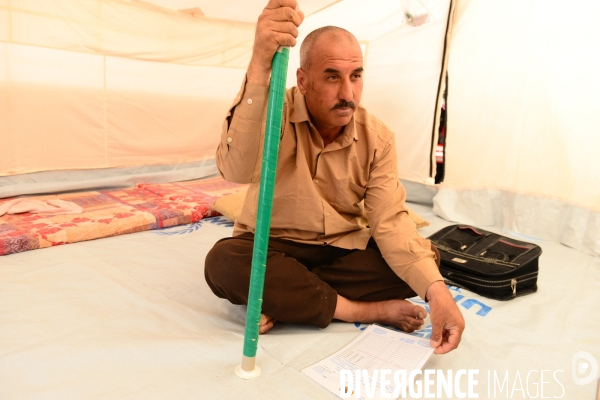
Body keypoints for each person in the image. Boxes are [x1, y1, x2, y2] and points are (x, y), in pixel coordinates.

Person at [205, 0, 465, 355]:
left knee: (426, 260)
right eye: (332, 76)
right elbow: (234, 170)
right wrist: (259, 64)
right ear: (303, 80)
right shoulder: (274, 111)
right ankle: (356, 309)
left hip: (341, 252)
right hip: (274, 245)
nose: (348, 94)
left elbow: (389, 223)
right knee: (225, 263)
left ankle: (291, 299)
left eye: (355, 76)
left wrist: (439, 295)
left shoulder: (378, 138)